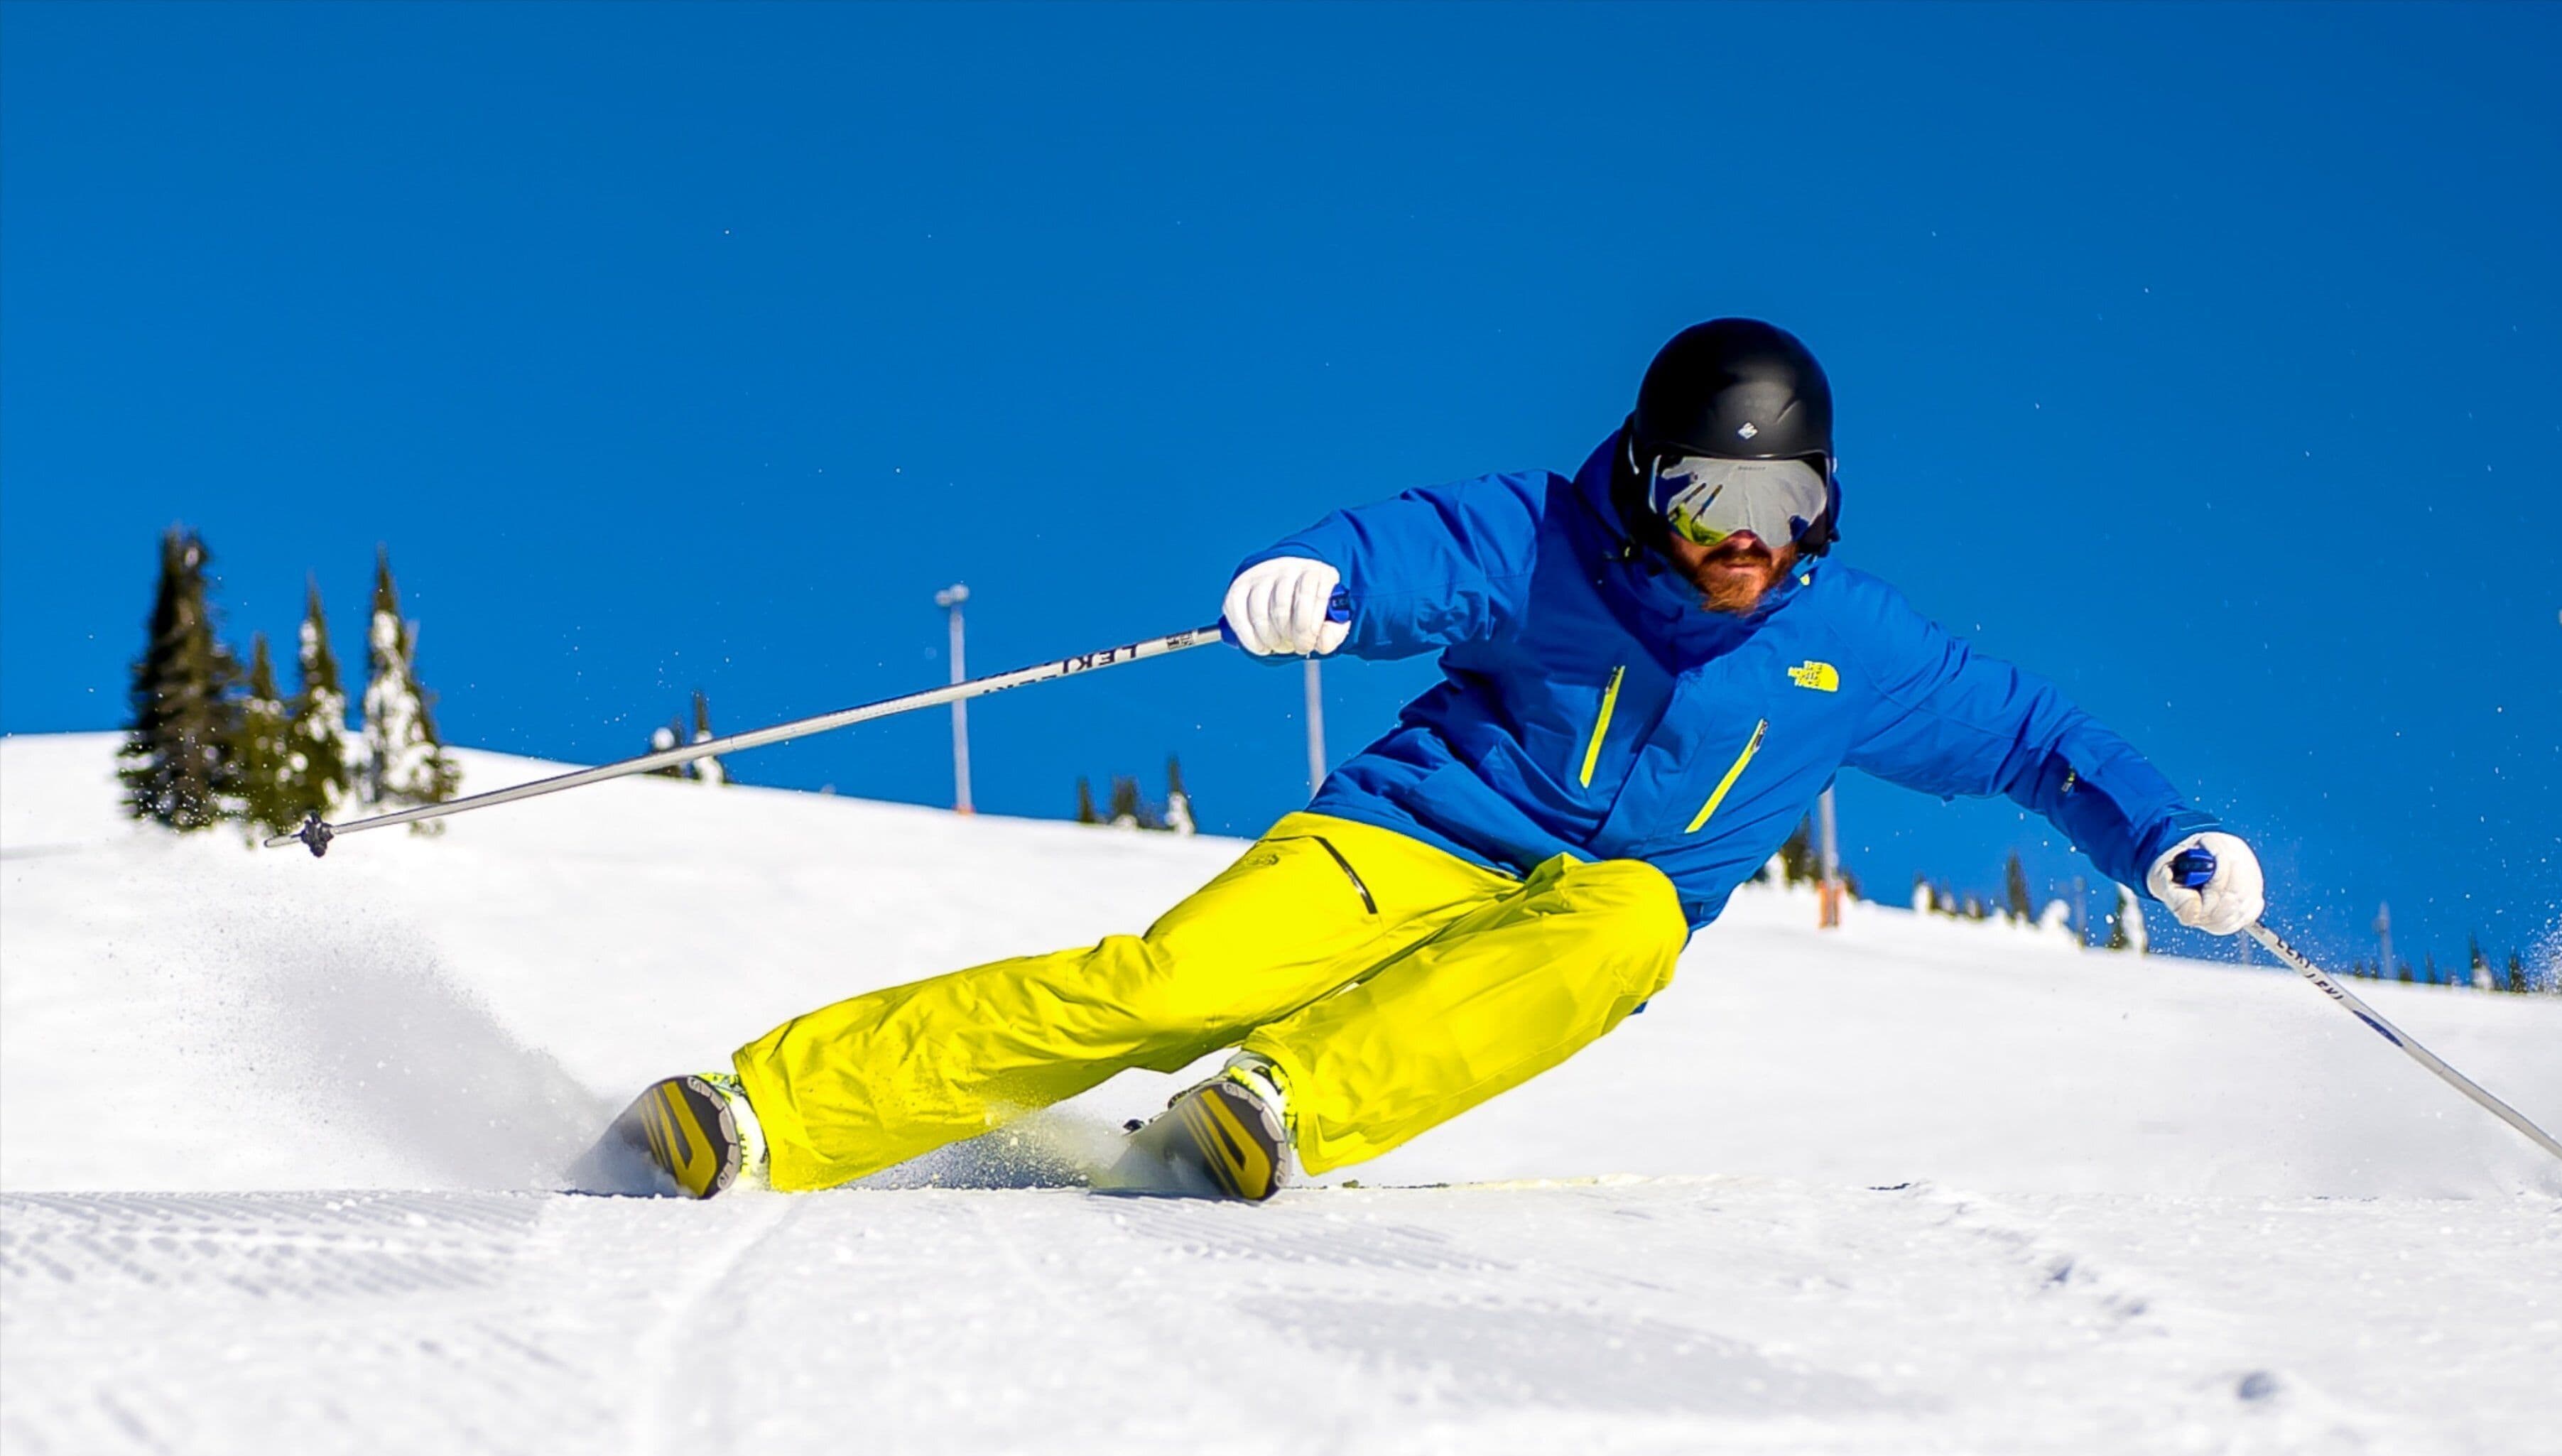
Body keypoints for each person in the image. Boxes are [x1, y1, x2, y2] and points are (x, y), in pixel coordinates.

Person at [612, 317, 2266, 1202]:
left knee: (1627, 929)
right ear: (1644, 482)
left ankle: (1274, 1113)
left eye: (1784, 511)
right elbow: (1418, 550)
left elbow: (2037, 742)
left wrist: (2163, 835)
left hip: (1591, 901)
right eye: (1711, 501)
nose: (1743, 546)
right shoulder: (1547, 545)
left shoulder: (1854, 651)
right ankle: (765, 1111)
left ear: (1825, 507)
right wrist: (1323, 581)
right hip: (1412, 837)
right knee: (1159, 984)